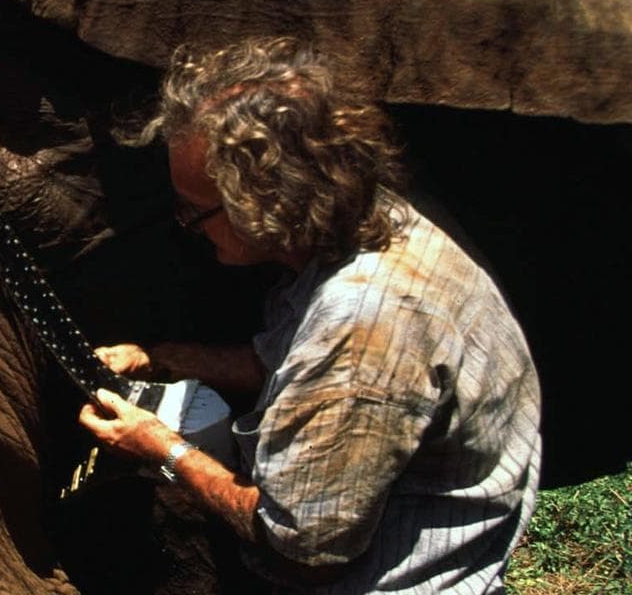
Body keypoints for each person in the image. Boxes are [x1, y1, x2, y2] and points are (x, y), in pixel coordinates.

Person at [78, 37, 541, 594]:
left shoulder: (361, 324)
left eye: (197, 210)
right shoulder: (370, 213)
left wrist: (162, 447)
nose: (187, 225)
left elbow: (306, 552)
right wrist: (159, 357)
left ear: (266, 199)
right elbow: (281, 359)